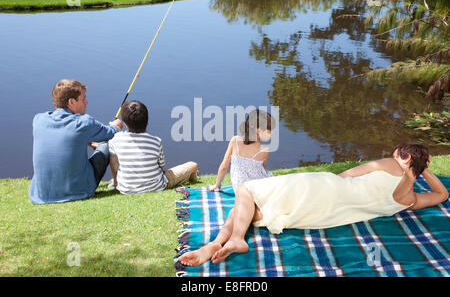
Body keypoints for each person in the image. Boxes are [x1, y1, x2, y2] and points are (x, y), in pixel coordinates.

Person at [178, 143, 448, 266]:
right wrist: (423, 170)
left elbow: (347, 175)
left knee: (247, 190)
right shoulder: (409, 200)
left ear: (403, 157)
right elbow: (442, 195)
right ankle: (217, 243)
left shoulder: (390, 165)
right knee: (252, 211)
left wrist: (411, 165)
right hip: (328, 214)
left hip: (324, 188)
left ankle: (234, 238)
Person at [29, 79, 123, 204]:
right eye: (83, 99)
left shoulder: (38, 120)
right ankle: (116, 181)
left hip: (41, 195)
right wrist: (117, 125)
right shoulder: (83, 123)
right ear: (71, 102)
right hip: (80, 191)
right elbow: (111, 132)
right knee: (106, 145)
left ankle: (90, 143)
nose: (86, 102)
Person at [108, 100, 198, 194]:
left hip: (125, 188)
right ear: (146, 120)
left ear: (125, 124)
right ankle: (192, 178)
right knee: (193, 165)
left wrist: (114, 128)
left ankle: (115, 182)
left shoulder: (116, 139)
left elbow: (113, 146)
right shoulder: (156, 141)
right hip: (156, 186)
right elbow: (162, 167)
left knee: (112, 153)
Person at [209, 109, 275, 192]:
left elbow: (224, 167)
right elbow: (261, 170)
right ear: (258, 130)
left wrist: (217, 184)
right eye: (269, 131)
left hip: (238, 187)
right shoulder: (264, 150)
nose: (271, 133)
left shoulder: (235, 141)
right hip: (255, 188)